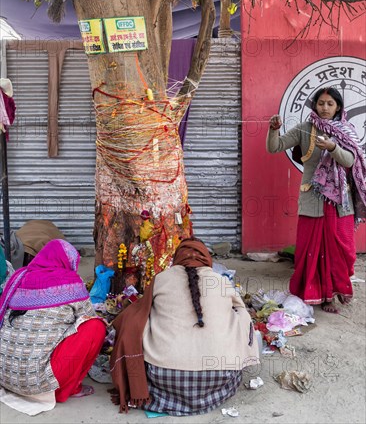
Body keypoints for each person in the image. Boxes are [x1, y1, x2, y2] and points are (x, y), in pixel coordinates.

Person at [109, 237, 259, 416]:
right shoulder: (221, 281)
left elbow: (137, 313)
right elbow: (241, 310)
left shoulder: (162, 279)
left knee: (138, 317)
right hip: (219, 378)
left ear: (178, 258)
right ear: (206, 258)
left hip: (163, 376)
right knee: (241, 316)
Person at [267, 87, 366, 314]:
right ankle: (318, 294)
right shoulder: (304, 129)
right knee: (311, 249)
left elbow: (350, 161)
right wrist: (273, 130)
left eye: (330, 104)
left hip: (340, 201)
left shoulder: (346, 131)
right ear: (315, 106)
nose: (325, 108)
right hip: (312, 199)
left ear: (338, 106)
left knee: (342, 248)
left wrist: (332, 147)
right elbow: (274, 147)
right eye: (321, 103)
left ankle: (332, 292)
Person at [0, 239, 106, 413]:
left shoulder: (18, 276)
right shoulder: (69, 282)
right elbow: (89, 316)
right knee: (95, 327)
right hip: (34, 383)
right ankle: (67, 389)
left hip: (4, 375)